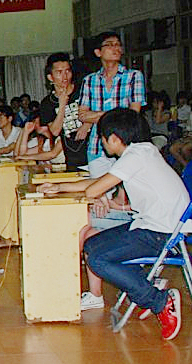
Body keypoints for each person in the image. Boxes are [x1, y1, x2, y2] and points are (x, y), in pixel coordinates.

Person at [38, 108, 183, 340]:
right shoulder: (142, 151)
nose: (102, 143)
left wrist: (95, 193)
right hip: (157, 227)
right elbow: (99, 181)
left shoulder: (135, 157)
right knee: (92, 245)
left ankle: (159, 301)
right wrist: (60, 187)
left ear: (114, 138)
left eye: (103, 138)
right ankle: (148, 285)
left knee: (97, 259)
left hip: (162, 234)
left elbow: (94, 189)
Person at [78, 31, 146, 177]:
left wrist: (97, 116)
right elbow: (82, 115)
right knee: (99, 189)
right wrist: (117, 114)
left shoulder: (133, 76)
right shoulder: (89, 81)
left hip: (125, 145)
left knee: (126, 190)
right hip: (97, 146)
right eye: (109, 45)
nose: (115, 48)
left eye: (117, 45)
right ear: (98, 52)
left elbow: (133, 115)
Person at [37, 53, 89, 170]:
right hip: (72, 156)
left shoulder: (83, 89)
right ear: (50, 77)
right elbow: (55, 131)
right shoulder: (47, 103)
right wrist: (62, 105)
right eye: (59, 72)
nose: (65, 76)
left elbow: (98, 110)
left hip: (94, 152)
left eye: (67, 71)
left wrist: (87, 124)